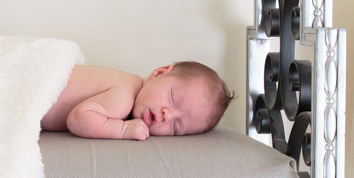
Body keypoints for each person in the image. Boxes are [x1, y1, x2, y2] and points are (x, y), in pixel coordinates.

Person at [41, 61, 234, 140]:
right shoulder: (124, 94)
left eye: (176, 126)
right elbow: (78, 119)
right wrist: (122, 130)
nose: (167, 115)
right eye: (173, 99)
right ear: (159, 73)